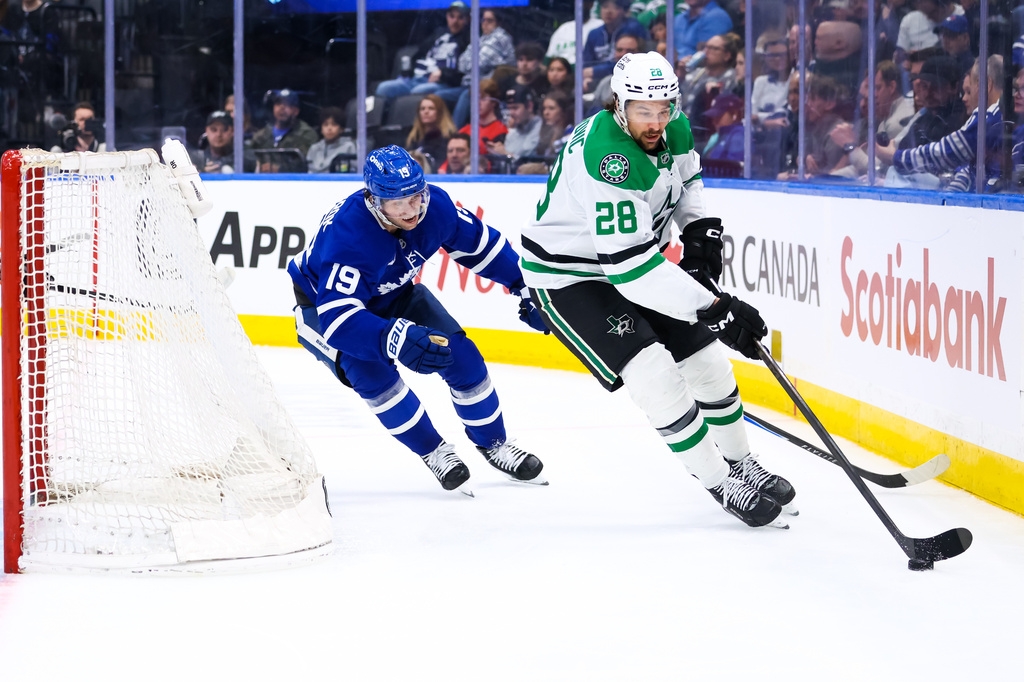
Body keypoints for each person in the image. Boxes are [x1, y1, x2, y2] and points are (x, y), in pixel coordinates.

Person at [520, 52, 795, 529]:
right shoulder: (610, 161)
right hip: (571, 278)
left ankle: (742, 463)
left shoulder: (676, 126)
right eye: (643, 110)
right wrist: (715, 307)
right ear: (619, 104)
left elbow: (687, 180)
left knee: (708, 361)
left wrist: (700, 229)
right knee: (655, 374)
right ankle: (718, 481)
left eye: (663, 107)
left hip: (634, 258)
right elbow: (628, 270)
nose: (655, 120)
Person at [287, 145, 549, 495]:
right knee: (373, 376)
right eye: (398, 202)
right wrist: (393, 337)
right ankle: (433, 450)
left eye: (416, 196)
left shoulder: (435, 206)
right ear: (374, 199)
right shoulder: (349, 238)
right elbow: (338, 319)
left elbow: (482, 247)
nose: (412, 210)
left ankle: (495, 444)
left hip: (394, 292)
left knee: (461, 355)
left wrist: (526, 287)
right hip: (323, 308)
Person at [890, 56, 1004, 189]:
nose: (966, 97)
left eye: (970, 88)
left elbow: (946, 153)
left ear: (985, 85)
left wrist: (896, 158)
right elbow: (969, 168)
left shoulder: (991, 116)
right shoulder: (923, 118)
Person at [374, 1, 470, 104]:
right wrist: (408, 72)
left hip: (441, 83)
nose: (455, 21)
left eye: (460, 17)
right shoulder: (438, 34)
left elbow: (462, 73)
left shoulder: (467, 40)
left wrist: (443, 74)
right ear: (447, 16)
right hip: (416, 79)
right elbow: (418, 55)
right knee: (384, 88)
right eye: (452, 16)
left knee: (418, 92)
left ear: (467, 20)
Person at [450, 8, 515, 126]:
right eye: (483, 20)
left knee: (466, 95)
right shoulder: (482, 38)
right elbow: (461, 64)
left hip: (487, 86)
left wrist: (469, 62)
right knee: (439, 95)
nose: (484, 23)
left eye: (489, 20)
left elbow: (476, 64)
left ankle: (455, 135)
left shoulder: (500, 36)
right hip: (469, 84)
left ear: (498, 23)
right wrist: (469, 63)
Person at [582, 0, 650, 90]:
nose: (608, 11)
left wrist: (597, 71)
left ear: (624, 11)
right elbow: (586, 66)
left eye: (615, 7)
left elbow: (636, 63)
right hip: (597, 82)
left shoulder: (634, 28)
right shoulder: (594, 34)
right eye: (605, 7)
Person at [252, 89, 319, 162]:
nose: (281, 108)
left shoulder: (306, 134)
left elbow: (305, 164)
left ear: (296, 111)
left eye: (287, 104)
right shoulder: (261, 136)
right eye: (278, 103)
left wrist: (279, 169)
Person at [488, 83, 541, 160]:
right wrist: (498, 151)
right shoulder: (515, 128)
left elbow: (525, 157)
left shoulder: (541, 129)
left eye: (515, 108)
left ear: (529, 106)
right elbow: (510, 152)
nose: (511, 113)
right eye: (509, 108)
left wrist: (505, 153)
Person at [457, 78, 508, 157]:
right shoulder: (464, 131)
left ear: (494, 102)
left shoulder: (501, 131)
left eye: (483, 99)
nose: (478, 103)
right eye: (475, 99)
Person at [405, 93, 457, 167]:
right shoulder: (415, 138)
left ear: (440, 112)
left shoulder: (448, 138)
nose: (426, 112)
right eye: (422, 109)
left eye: (431, 108)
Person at [306, 106, 356, 174]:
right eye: (325, 125)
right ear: (321, 129)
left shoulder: (349, 147)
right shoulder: (314, 148)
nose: (329, 128)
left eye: (334, 124)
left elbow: (354, 170)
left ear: (341, 129)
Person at [701, 92, 745, 162]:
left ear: (734, 113)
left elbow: (732, 168)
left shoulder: (738, 135)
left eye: (718, 116)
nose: (714, 122)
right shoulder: (717, 136)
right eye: (713, 117)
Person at [536, 90, 575, 156]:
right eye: (544, 108)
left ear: (563, 111)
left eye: (551, 108)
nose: (546, 113)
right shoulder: (546, 134)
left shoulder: (571, 134)